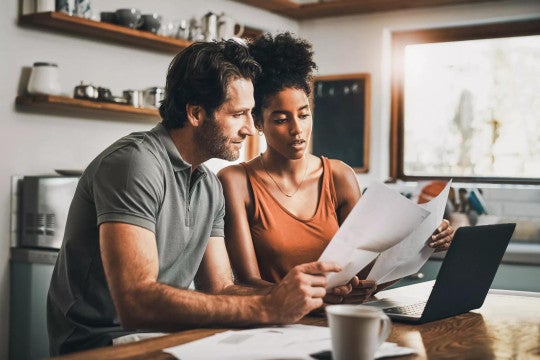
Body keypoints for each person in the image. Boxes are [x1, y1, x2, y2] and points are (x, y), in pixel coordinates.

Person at [47, 39, 344, 355]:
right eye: (239, 114)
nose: (250, 129)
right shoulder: (135, 164)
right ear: (196, 113)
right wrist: (267, 308)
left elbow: (221, 289)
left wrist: (297, 296)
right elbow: (136, 302)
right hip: (99, 345)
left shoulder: (207, 184)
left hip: (162, 338)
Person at [217, 32, 454, 305]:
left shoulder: (339, 176)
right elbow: (247, 283)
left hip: (340, 320)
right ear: (257, 122)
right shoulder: (236, 181)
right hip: (276, 324)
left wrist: (424, 243)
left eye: (304, 115)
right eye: (281, 119)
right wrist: (317, 297)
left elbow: (367, 273)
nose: (297, 130)